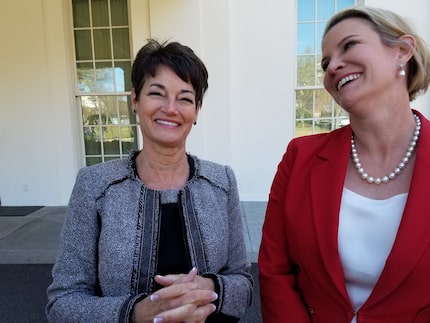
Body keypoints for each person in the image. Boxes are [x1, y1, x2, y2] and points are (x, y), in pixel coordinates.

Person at [46, 39, 253, 323]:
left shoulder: (221, 182)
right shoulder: (95, 185)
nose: (170, 108)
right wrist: (138, 312)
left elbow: (242, 282)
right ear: (135, 100)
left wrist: (209, 288)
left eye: (185, 98)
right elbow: (63, 302)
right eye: (157, 93)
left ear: (196, 111)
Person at [259, 6, 430, 323]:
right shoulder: (300, 157)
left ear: (403, 52)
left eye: (349, 46)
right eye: (325, 63)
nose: (332, 67)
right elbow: (275, 270)